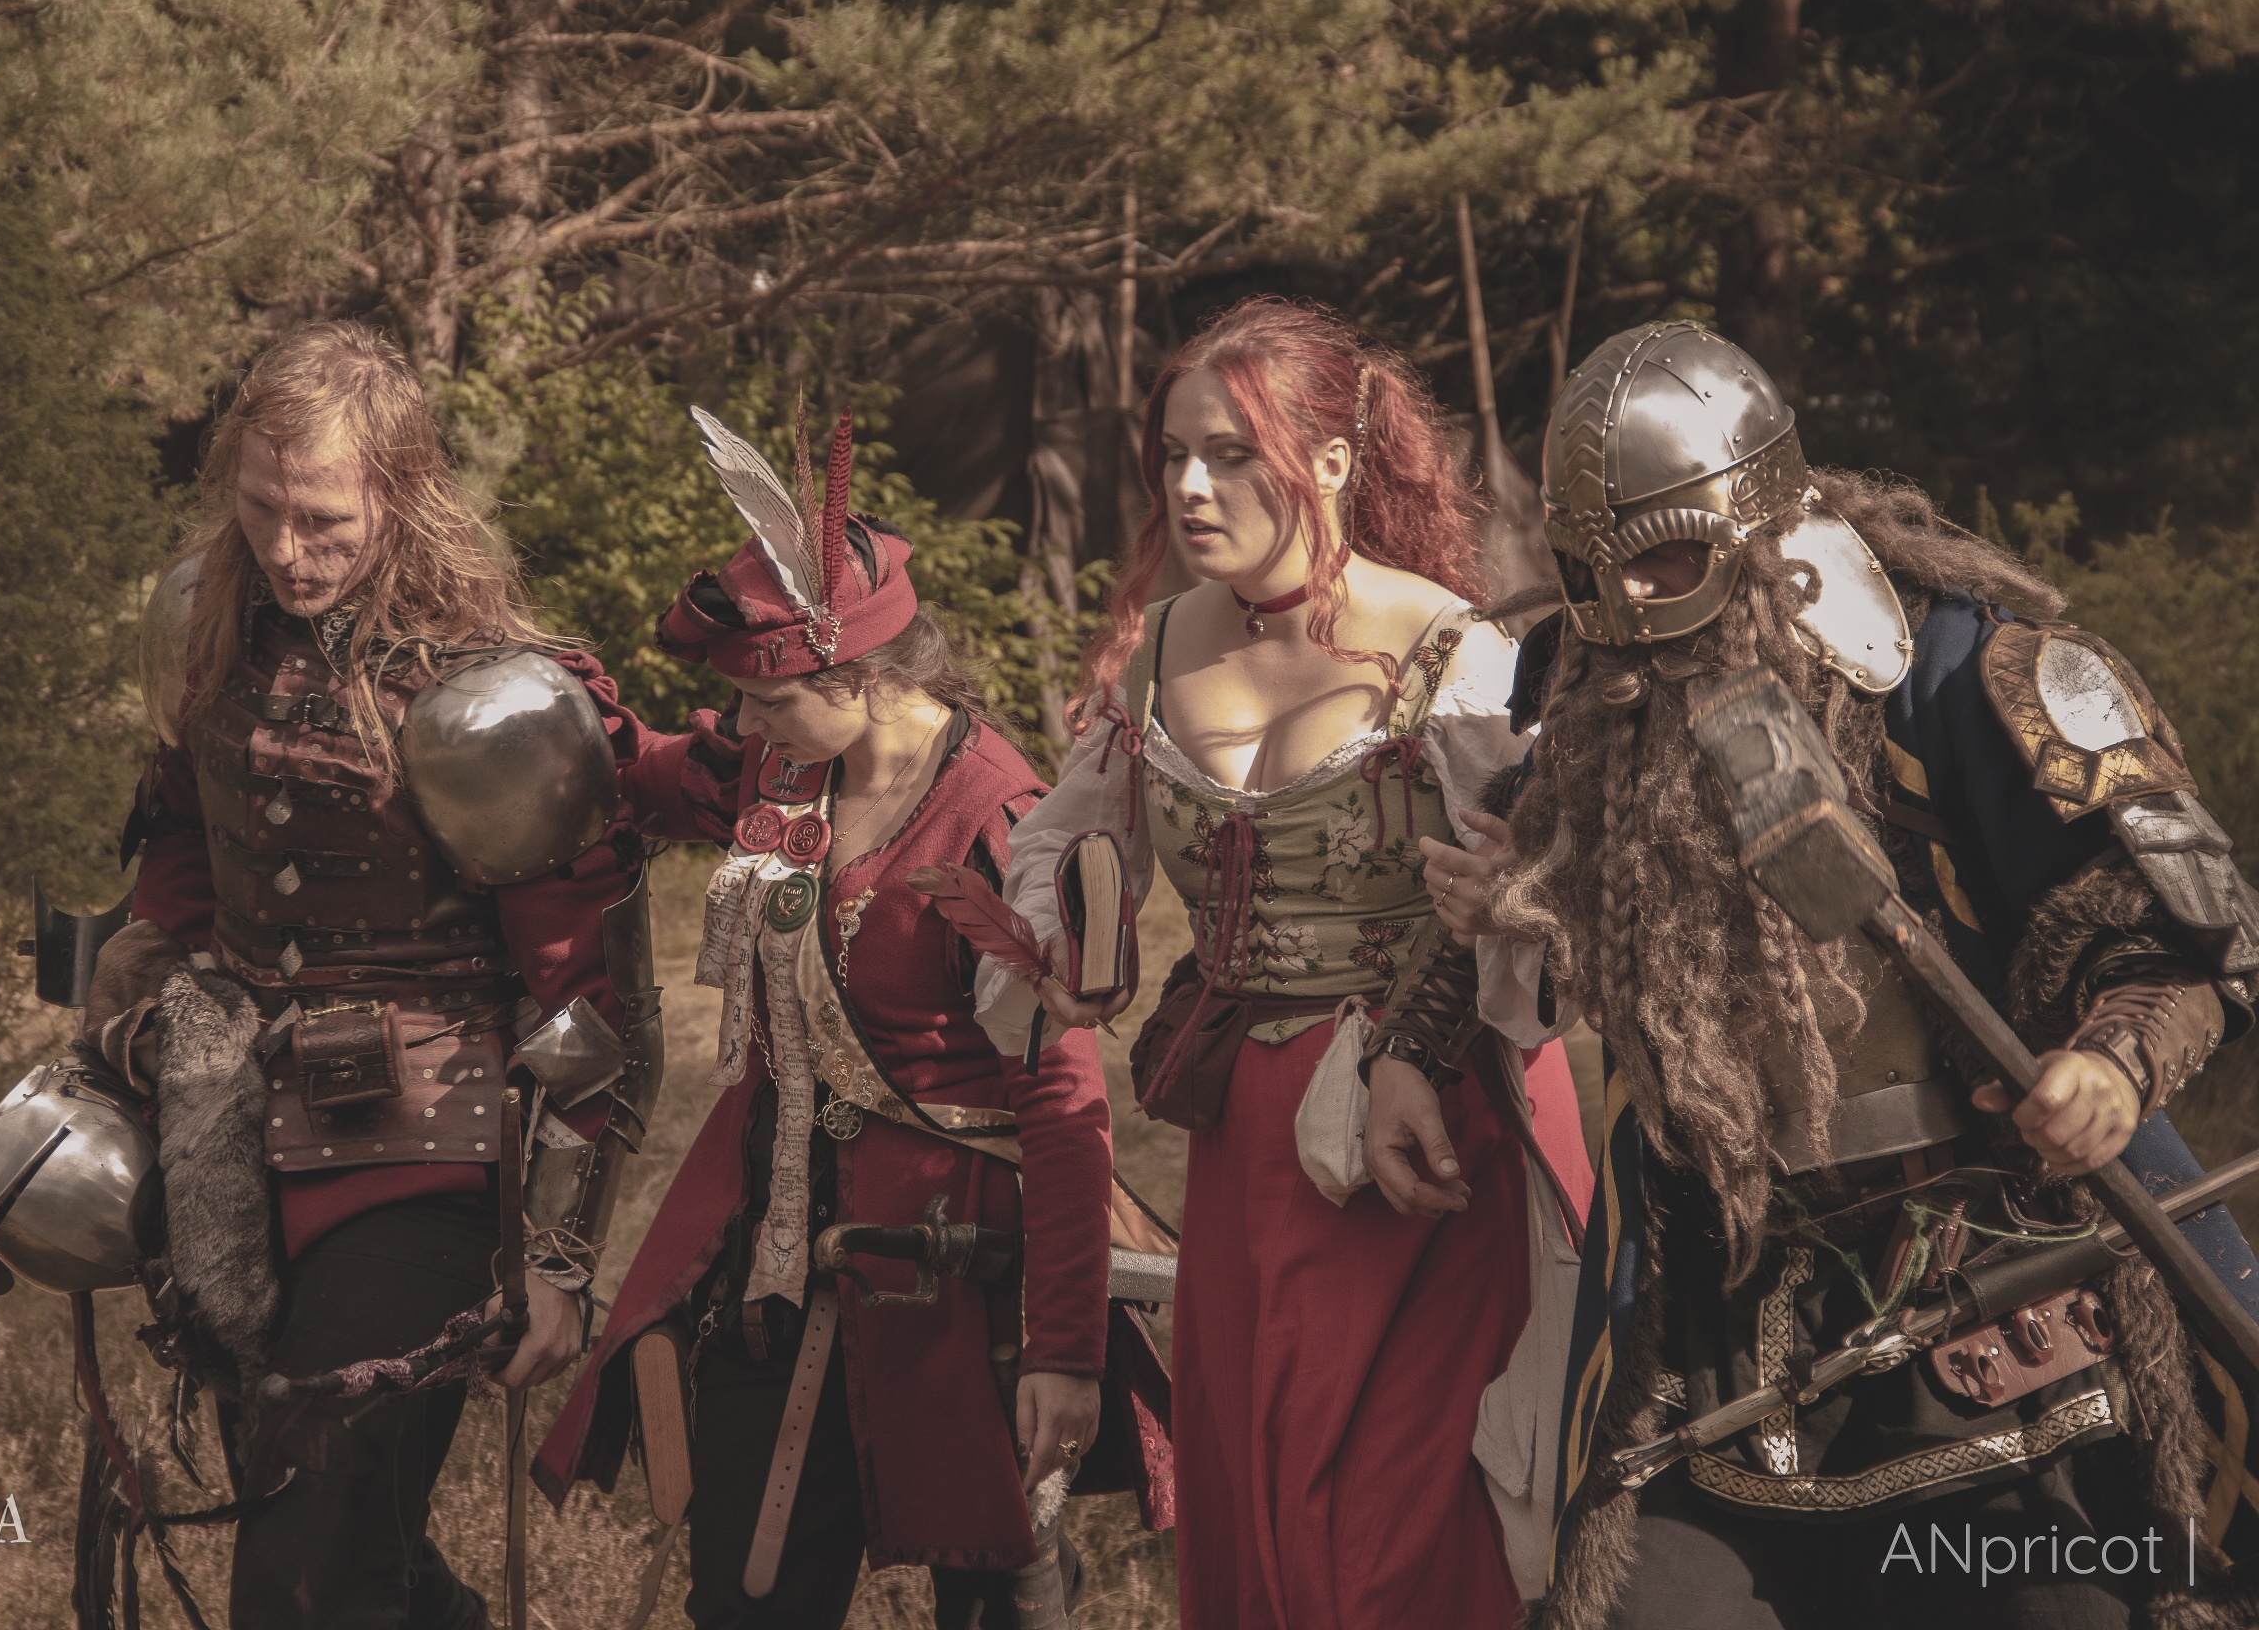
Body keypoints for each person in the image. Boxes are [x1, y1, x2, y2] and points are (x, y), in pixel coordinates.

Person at [1449, 321, 2259, 1629]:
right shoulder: (1595, 700)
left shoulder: (1966, 674)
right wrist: (1450, 998)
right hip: (1728, 1310)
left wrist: (2112, 1069)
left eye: (1666, 557)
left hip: (1998, 1280)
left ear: (1760, 527)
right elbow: (1523, 872)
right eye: (1598, 566)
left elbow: (2178, 934)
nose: (1632, 603)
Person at [978, 297, 1595, 1629]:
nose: (1191, 488)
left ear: (1329, 460)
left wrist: (1512, 901)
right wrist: (1071, 945)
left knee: (1387, 1542)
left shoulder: (1455, 654)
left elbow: (1557, 905)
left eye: (1231, 455)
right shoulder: (1160, 644)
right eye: (1173, 455)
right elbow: (1073, 848)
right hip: (1249, 1139)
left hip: (1426, 1125)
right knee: (1256, 1507)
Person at [534, 406, 1171, 1629]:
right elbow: (648, 772)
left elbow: (1063, 1103)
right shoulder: (780, 769)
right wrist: (523, 710)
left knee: (997, 1605)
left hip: (958, 1280)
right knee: (748, 1603)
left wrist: (1064, 1350)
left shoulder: (1001, 823)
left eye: (771, 703)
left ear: (870, 680)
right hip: (775, 1264)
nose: (748, 728)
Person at [78, 320, 659, 1630]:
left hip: (425, 1157)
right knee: (350, 1556)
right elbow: (184, 828)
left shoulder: (490, 696)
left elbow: (584, 1005)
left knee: (304, 1573)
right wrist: (153, 963)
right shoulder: (205, 617)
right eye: (263, 509)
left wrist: (559, 1258)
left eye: (325, 521)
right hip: (231, 1141)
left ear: (401, 494)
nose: (288, 551)